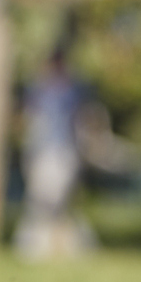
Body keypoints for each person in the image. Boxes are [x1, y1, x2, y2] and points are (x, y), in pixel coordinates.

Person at [15, 45, 96, 259]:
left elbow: (83, 121)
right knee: (41, 200)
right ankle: (35, 245)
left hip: (64, 151)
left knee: (59, 201)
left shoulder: (73, 91)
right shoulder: (39, 90)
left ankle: (70, 245)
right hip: (42, 151)